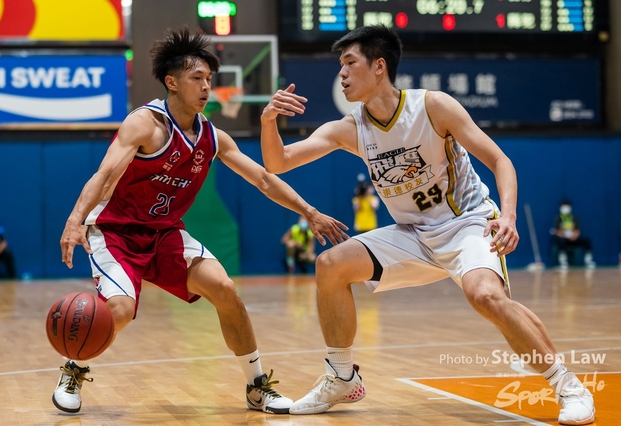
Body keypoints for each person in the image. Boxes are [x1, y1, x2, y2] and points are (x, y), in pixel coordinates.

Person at [260, 25, 595, 425]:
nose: (342, 73)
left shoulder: (433, 106)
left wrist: (507, 216)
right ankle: (342, 377)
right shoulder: (351, 128)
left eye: (350, 63)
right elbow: (278, 163)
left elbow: (500, 161)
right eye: (340, 65)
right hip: (414, 234)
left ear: (379, 66)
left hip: (467, 222)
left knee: (486, 297)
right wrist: (268, 121)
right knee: (330, 265)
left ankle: (570, 388)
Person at [53, 27, 349, 415]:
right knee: (119, 310)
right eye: (197, 78)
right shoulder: (145, 125)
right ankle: (73, 369)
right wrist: (75, 220)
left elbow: (263, 179)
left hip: (165, 234)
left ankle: (257, 387)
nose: (206, 87)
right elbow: (105, 175)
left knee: (224, 288)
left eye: (209, 79)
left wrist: (309, 211)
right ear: (172, 82)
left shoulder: (213, 137)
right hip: (116, 232)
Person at [551, 200, 595, 269]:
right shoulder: (558, 219)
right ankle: (563, 262)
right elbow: (556, 231)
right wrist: (565, 235)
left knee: (587, 241)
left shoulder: (574, 218)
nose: (565, 209)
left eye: (567, 207)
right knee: (561, 242)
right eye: (564, 207)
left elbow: (577, 231)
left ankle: (588, 261)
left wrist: (573, 236)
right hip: (564, 239)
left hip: (573, 239)